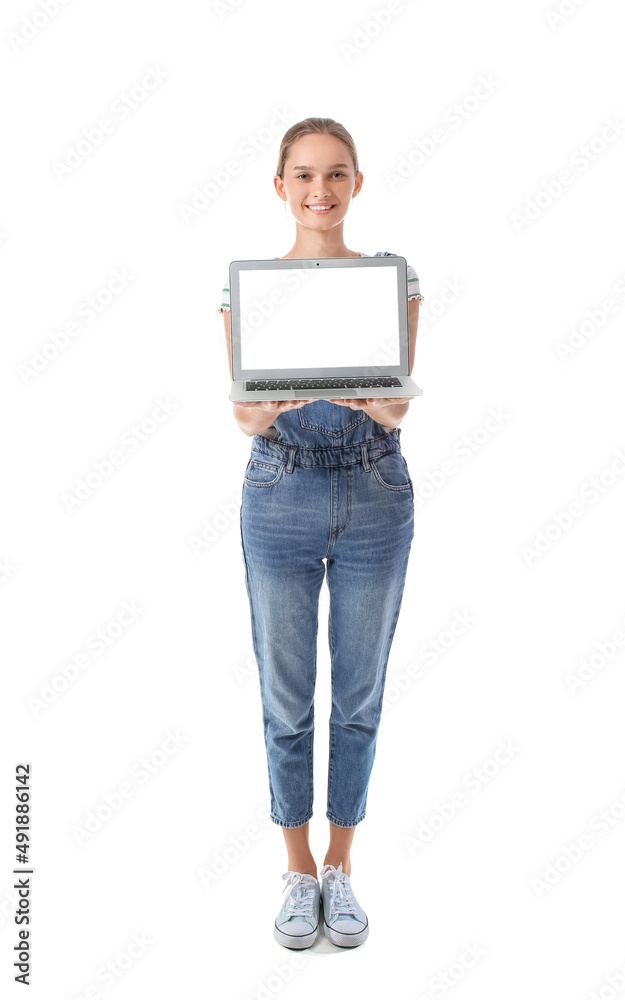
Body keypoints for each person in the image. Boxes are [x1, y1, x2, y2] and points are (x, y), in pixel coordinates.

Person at [219, 117, 424, 949]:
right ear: (279, 186)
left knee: (359, 695)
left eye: (336, 174)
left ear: (357, 184)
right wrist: (262, 408)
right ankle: (297, 870)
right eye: (303, 175)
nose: (320, 190)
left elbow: (398, 402)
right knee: (285, 696)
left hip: (374, 485)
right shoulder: (247, 288)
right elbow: (241, 414)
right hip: (280, 487)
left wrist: (376, 397)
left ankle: (341, 866)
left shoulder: (393, 279)